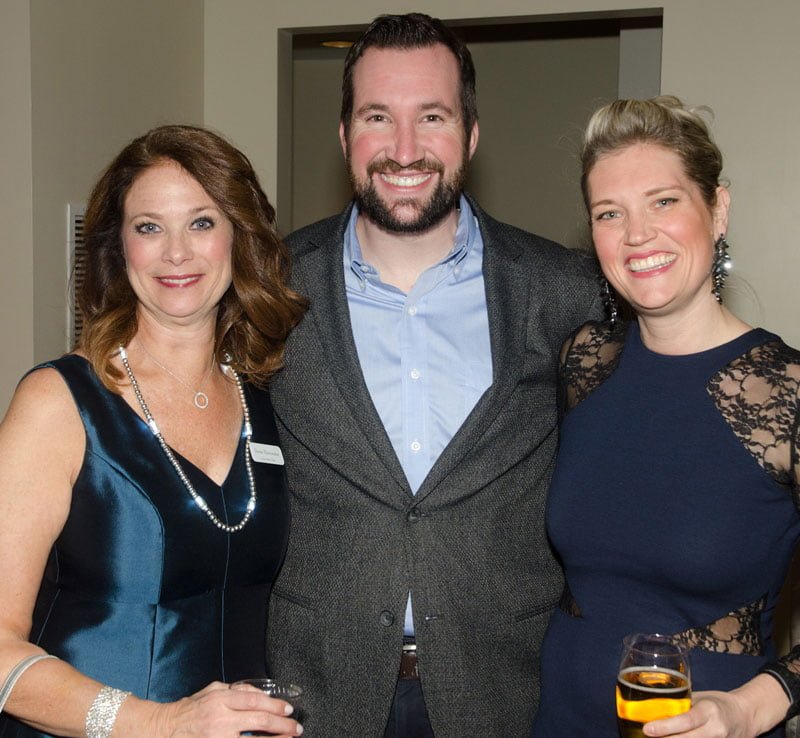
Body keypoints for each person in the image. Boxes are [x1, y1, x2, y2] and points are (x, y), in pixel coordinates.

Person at [265, 12, 604, 738]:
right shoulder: (270, 291)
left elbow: (621, 489)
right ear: (345, 135)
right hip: (315, 701)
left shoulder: (566, 291)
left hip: (506, 697)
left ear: (471, 135)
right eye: (378, 116)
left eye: (434, 117)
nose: (406, 148)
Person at [0, 125, 307, 738]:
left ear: (239, 238)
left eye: (201, 222)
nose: (176, 253)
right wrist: (159, 724)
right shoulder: (59, 403)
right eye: (148, 227)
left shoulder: (266, 400)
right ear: (118, 249)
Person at [530, 96, 800, 738]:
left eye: (664, 201)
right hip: (559, 718)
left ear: (719, 207)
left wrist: (752, 706)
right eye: (609, 213)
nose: (637, 234)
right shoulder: (583, 362)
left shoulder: (784, 393)